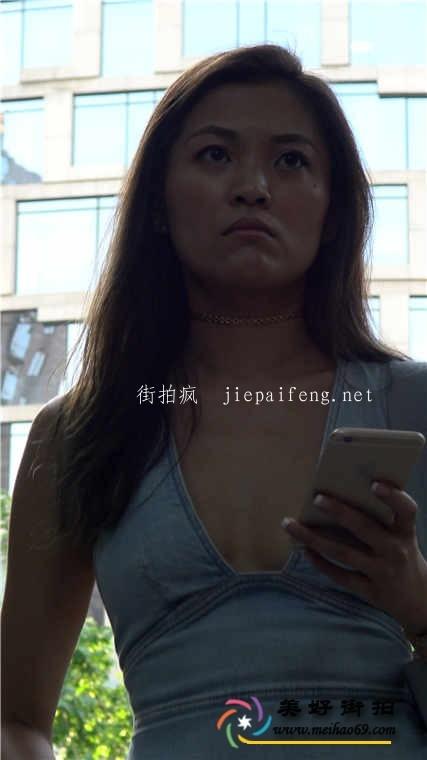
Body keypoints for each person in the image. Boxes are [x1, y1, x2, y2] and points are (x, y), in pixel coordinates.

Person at [2, 44, 427, 759]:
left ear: (333, 209)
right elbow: (15, 721)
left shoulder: (411, 404)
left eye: (290, 160)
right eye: (214, 155)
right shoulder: (78, 435)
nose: (253, 187)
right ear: (158, 204)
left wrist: (417, 602)